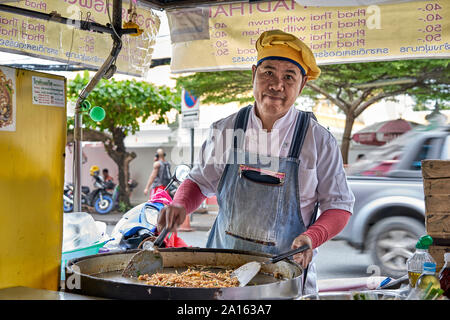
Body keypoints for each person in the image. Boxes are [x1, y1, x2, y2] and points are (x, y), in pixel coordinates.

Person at [158, 30, 355, 294]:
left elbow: (339, 206)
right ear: (254, 74)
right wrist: (180, 203)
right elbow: (199, 182)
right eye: (268, 73)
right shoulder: (225, 130)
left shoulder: (319, 140)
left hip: (285, 278)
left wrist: (312, 237)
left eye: (289, 77)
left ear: (303, 84)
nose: (277, 85)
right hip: (219, 277)